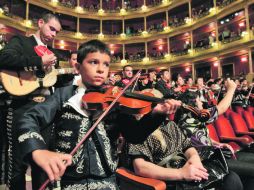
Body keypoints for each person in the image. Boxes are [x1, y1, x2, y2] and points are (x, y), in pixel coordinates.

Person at [14, 40, 182, 189]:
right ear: (78, 67)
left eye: (106, 64)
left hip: (107, 182)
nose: (101, 69)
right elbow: (28, 119)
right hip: (69, 183)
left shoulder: (116, 100)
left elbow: (135, 135)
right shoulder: (63, 95)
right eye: (94, 62)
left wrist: (157, 114)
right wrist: (38, 151)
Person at [0, 12, 62, 190]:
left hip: (45, 110)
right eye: (51, 28)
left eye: (57, 32)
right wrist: (38, 61)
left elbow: (51, 82)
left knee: (42, 165)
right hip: (22, 106)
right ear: (40, 22)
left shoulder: (52, 54)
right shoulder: (21, 41)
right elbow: (3, 58)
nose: (53, 34)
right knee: (18, 163)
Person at [128, 121, 243, 190]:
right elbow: (140, 167)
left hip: (186, 168)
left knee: (232, 178)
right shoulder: (138, 131)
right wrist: (181, 173)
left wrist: (194, 158)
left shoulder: (170, 124)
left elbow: (187, 146)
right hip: (169, 178)